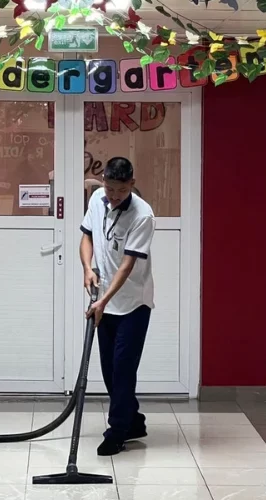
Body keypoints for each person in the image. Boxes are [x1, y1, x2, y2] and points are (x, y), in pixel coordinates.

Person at [79, 157, 155, 456]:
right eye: (110, 189)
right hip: (104, 302)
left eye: (120, 191)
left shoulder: (142, 215)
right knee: (110, 370)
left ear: (131, 185)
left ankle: (118, 430)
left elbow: (126, 266)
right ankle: (134, 420)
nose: (113, 196)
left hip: (133, 303)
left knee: (123, 369)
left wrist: (103, 300)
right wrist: (87, 268)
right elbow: (86, 236)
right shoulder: (97, 199)